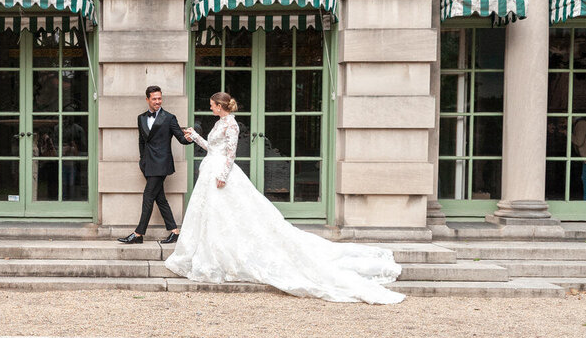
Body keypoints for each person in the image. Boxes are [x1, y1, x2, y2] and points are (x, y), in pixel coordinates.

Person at [165, 91, 404, 305]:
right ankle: (210, 254)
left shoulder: (232, 126)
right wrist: (195, 136)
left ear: (220, 106)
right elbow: (213, 148)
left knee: (229, 215)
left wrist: (223, 176)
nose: (210, 108)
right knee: (212, 216)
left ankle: (225, 256)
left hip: (220, 175)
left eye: (212, 105)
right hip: (210, 170)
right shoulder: (219, 124)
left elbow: (231, 154)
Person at [119, 85, 194, 245]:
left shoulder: (169, 118)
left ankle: (138, 234)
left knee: (148, 196)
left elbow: (181, 138)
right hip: (148, 164)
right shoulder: (141, 118)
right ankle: (174, 231)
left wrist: (189, 138)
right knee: (160, 198)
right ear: (147, 99)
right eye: (154, 99)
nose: (158, 101)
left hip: (161, 164)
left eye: (159, 98)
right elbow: (141, 141)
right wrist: (142, 160)